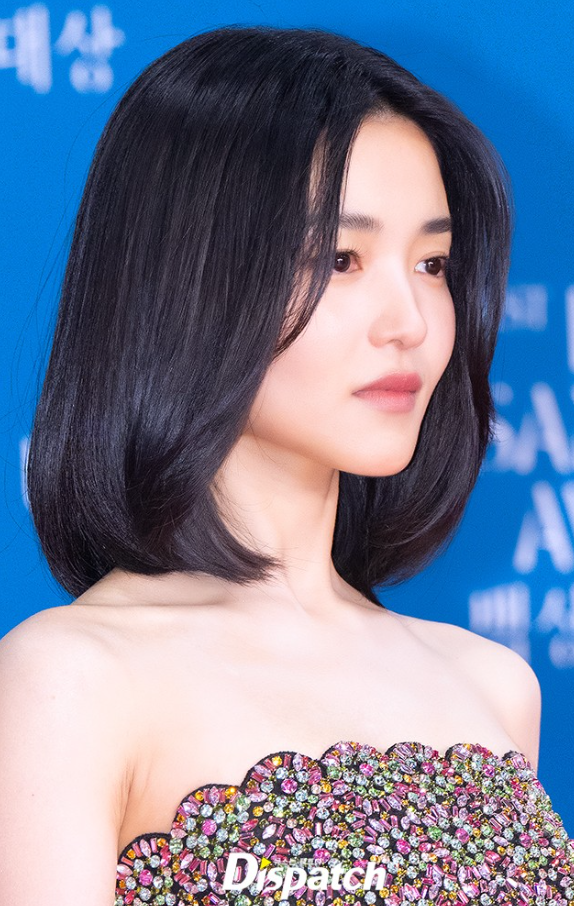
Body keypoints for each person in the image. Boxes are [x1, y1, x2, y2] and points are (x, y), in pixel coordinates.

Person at [1, 23, 573, 906]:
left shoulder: (494, 687)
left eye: (433, 263)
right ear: (189, 282)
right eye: (342, 259)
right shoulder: (69, 681)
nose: (411, 322)